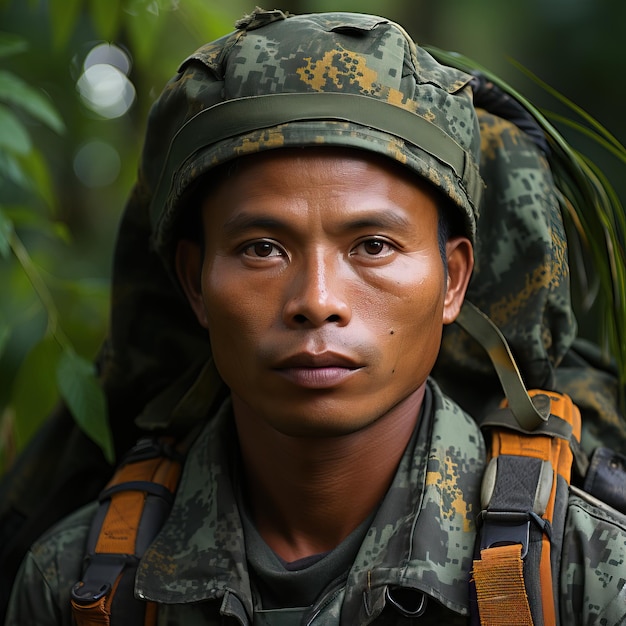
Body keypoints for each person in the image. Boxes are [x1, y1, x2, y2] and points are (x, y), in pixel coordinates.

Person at [5, 8, 626, 625]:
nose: (317, 299)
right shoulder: (74, 589)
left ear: (453, 280)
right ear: (195, 282)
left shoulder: (586, 578)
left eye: (373, 246)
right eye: (262, 249)